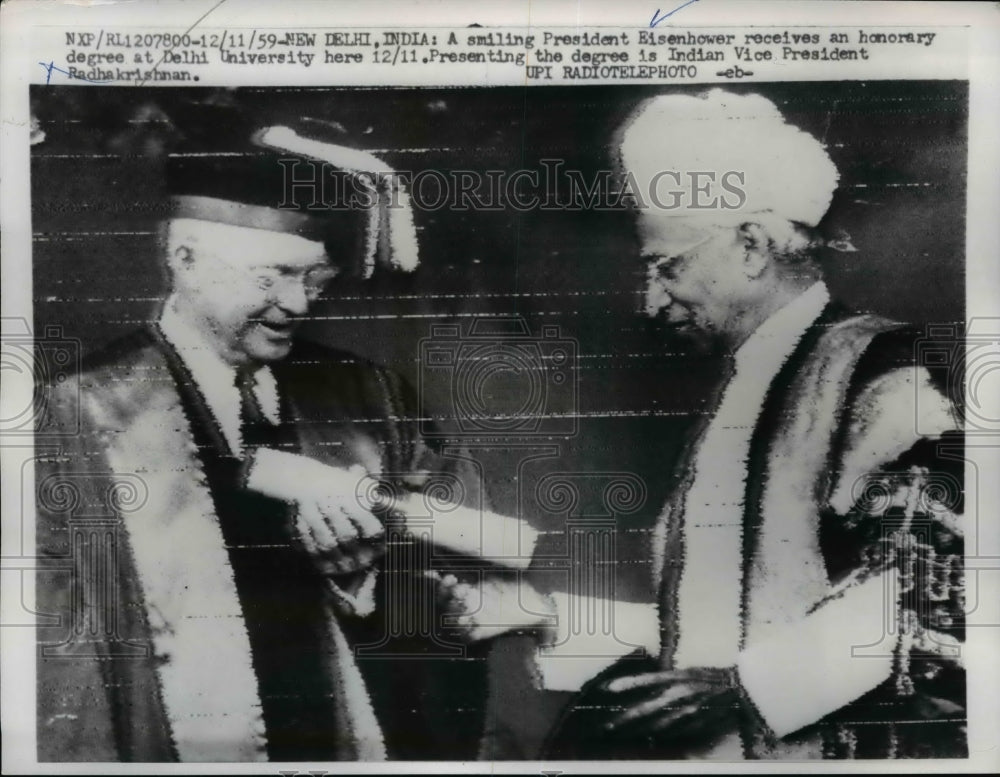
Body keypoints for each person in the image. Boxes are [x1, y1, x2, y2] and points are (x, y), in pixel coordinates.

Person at [34, 122, 484, 762]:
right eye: (273, 277)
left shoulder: (371, 399)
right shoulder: (76, 414)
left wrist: (364, 584)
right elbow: (62, 660)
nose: (299, 304)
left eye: (318, 281)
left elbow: (468, 587)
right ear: (183, 260)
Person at [541, 88, 966, 759]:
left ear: (750, 245)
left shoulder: (881, 364)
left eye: (667, 265)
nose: (652, 301)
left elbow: (937, 586)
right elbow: (715, 618)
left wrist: (747, 688)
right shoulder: (742, 383)